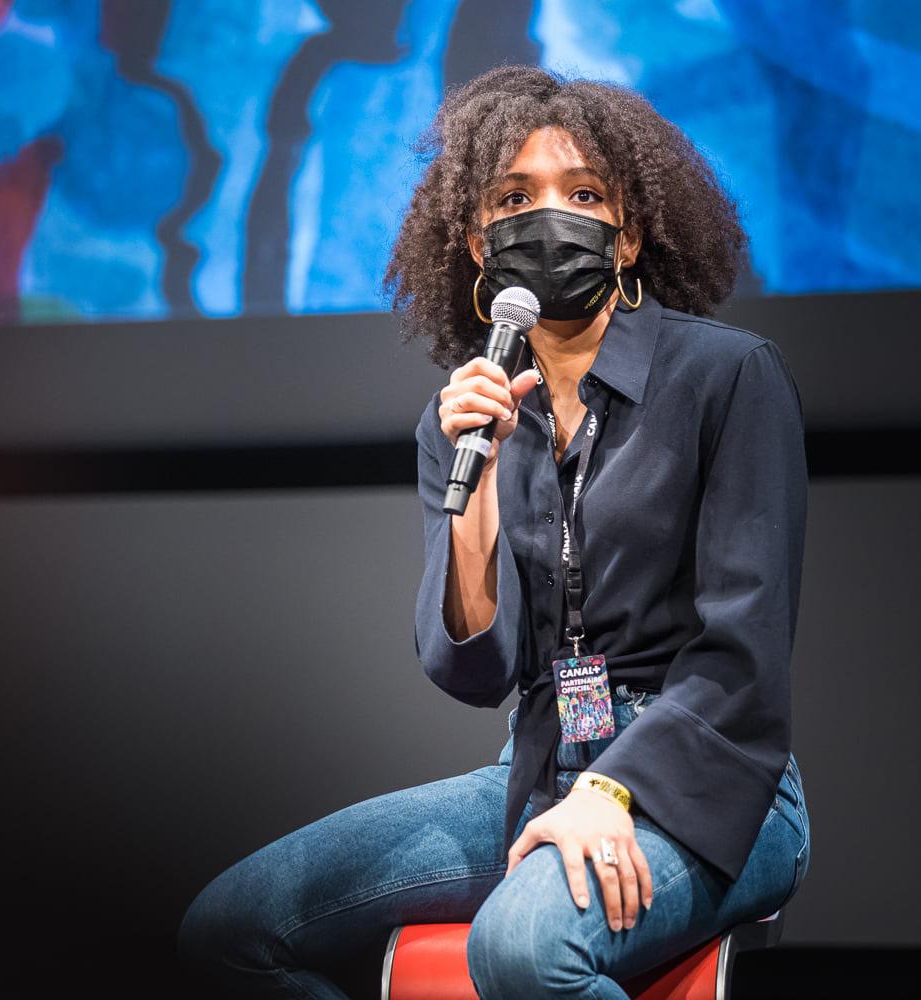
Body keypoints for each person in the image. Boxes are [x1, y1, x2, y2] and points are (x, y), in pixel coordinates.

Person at [176, 65, 811, 999]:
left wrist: (615, 791)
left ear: (629, 233)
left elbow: (743, 656)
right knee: (232, 928)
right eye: (515, 198)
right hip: (538, 771)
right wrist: (474, 486)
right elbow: (475, 672)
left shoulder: (727, 376)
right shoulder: (462, 421)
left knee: (520, 949)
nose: (549, 216)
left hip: (708, 779)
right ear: (478, 243)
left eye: (583, 194)